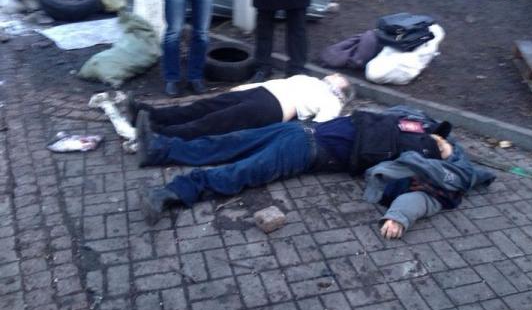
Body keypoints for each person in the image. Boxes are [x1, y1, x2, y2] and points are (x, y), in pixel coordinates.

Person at [136, 107, 494, 238]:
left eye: (444, 146)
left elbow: (430, 196)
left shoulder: (431, 164)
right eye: (441, 139)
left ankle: (172, 193)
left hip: (306, 151)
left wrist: (399, 216)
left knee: (240, 171)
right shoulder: (417, 123)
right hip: (301, 128)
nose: (441, 142)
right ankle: (160, 149)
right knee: (229, 142)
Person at [128, 73, 353, 140]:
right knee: (203, 106)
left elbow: (320, 125)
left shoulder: (334, 102)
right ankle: (148, 113)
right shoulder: (311, 79)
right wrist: (244, 87)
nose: (332, 74)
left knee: (213, 122)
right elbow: (279, 82)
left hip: (273, 108)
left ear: (341, 88)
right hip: (260, 92)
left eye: (337, 76)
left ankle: (157, 133)